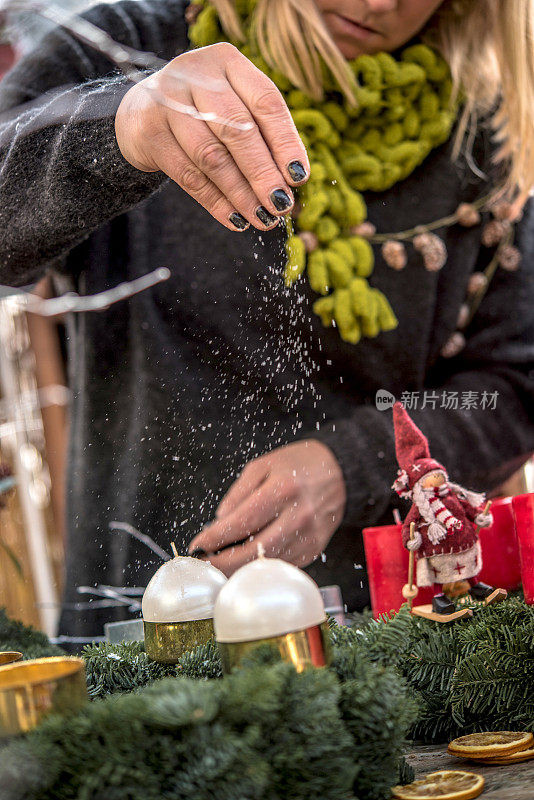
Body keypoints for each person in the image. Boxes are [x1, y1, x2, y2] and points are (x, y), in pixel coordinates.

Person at [0, 0, 533, 640]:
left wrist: (355, 465)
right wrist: (122, 128)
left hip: (401, 645)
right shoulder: (127, 49)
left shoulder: (484, 129)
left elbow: (513, 383)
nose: (380, 3)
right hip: (144, 641)